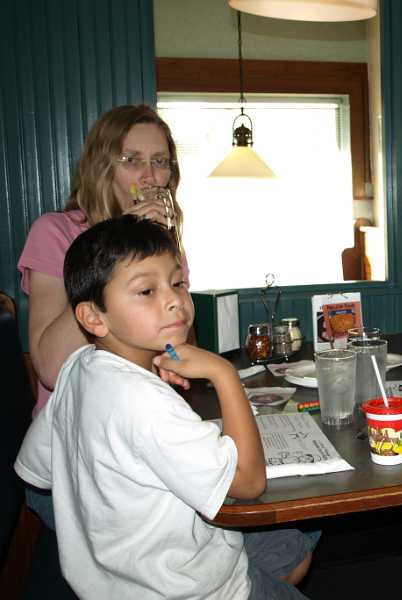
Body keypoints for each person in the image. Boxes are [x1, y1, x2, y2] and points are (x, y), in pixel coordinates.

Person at [14, 215, 315, 599]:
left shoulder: (78, 365)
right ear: (93, 317)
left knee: (291, 550)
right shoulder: (143, 402)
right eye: (146, 291)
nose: (175, 300)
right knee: (292, 541)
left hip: (116, 579)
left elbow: (39, 470)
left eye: (177, 283)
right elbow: (249, 482)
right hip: (190, 590)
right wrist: (222, 373)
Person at [17, 104, 189, 528]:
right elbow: (50, 368)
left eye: (160, 161)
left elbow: (177, 349)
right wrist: (113, 247)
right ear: (102, 167)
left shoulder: (162, 245)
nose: (150, 176)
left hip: (148, 437)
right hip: (74, 459)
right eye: (131, 160)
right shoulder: (54, 232)